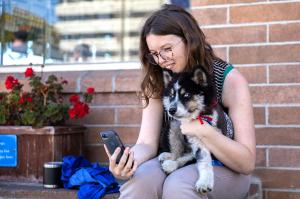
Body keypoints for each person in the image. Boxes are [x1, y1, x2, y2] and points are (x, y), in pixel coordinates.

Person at [104, 4, 256, 199]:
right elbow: (146, 143)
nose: (161, 60)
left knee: (179, 185)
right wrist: (127, 161)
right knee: (139, 180)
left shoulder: (229, 79)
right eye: (155, 54)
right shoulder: (159, 78)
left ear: (189, 40)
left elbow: (246, 162)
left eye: (167, 49)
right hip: (176, 157)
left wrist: (205, 131)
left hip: (223, 168)